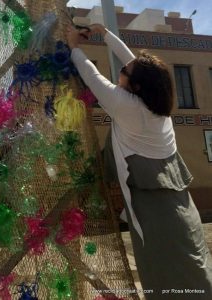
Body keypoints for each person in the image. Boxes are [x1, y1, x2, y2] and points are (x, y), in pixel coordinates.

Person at [67, 24, 212, 299]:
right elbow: (134, 65)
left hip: (156, 218)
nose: (121, 71)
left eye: (123, 73)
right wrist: (105, 33)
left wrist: (74, 46)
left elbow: (92, 75)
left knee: (167, 278)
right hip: (181, 209)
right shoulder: (158, 109)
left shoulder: (126, 106)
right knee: (195, 269)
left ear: (135, 86)